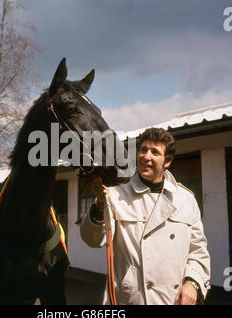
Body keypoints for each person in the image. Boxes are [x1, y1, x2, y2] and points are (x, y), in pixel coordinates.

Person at [80, 127, 211, 305]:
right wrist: (99, 204)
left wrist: (192, 283)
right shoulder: (115, 195)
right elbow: (92, 239)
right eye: (143, 150)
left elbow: (198, 251)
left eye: (155, 152)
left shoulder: (186, 200)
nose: (146, 156)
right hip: (130, 299)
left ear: (167, 161)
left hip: (174, 300)